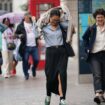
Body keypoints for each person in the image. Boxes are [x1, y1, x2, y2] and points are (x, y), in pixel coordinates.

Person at [38, 9, 70, 105]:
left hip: (62, 52)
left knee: (62, 74)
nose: (55, 22)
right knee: (50, 77)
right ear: (49, 18)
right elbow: (36, 32)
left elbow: (70, 24)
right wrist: (43, 18)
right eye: (53, 20)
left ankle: (62, 98)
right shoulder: (44, 27)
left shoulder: (62, 26)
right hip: (51, 53)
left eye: (57, 20)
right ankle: (48, 95)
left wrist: (63, 12)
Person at [82, 8, 105, 104]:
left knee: (103, 75)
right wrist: (87, 48)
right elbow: (84, 38)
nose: (99, 19)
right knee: (97, 74)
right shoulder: (92, 28)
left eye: (101, 17)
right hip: (94, 55)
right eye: (98, 17)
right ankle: (98, 94)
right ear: (95, 18)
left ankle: (101, 95)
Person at [15, 13, 39, 80]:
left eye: (30, 17)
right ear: (25, 17)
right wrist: (19, 36)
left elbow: (39, 30)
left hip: (34, 46)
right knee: (25, 60)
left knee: (36, 60)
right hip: (25, 46)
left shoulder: (34, 24)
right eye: (28, 17)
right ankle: (26, 74)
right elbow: (15, 34)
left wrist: (35, 21)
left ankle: (33, 68)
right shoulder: (20, 25)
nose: (30, 19)